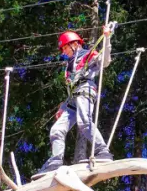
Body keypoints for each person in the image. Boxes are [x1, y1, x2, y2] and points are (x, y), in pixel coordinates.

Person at [33, 25, 115, 179]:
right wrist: (63, 107)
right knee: (56, 130)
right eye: (63, 49)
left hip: (85, 91)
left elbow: (104, 62)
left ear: (75, 44)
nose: (64, 52)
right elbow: (71, 88)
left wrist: (107, 38)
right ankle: (55, 161)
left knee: (84, 122)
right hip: (72, 100)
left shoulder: (87, 54)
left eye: (65, 48)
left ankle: (102, 151)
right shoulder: (69, 66)